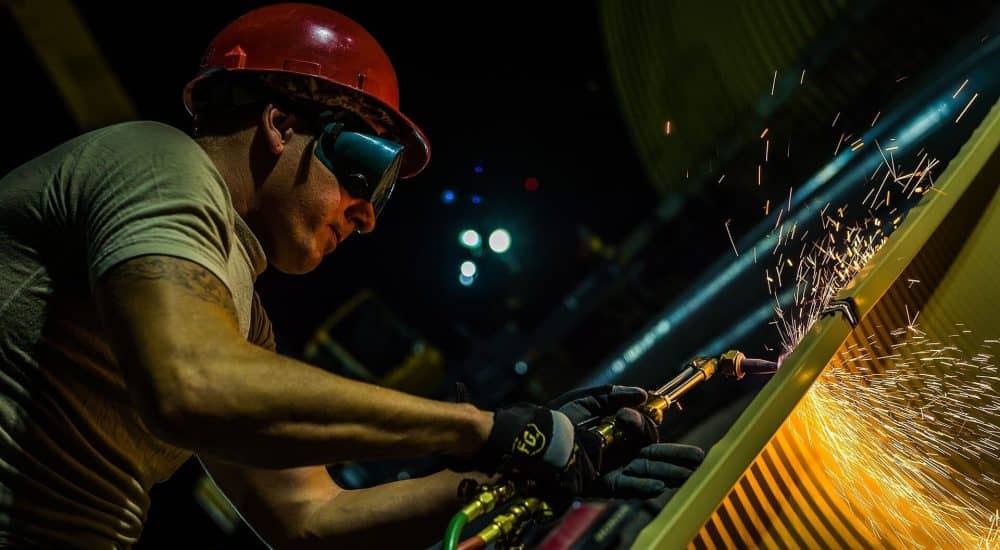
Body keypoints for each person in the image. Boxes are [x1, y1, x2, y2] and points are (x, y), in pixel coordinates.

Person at [0, 3, 703, 548]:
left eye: (386, 196)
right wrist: (482, 430)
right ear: (281, 123)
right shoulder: (157, 160)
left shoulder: (239, 324)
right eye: (367, 170)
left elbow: (312, 519)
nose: (367, 216)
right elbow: (190, 382)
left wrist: (522, 473)